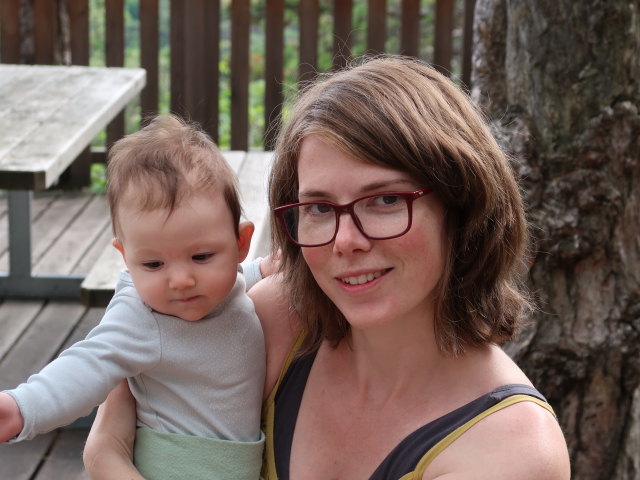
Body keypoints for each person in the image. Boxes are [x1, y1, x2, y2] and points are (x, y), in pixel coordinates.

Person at [82, 56, 571, 479]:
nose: (346, 240)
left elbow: (116, 437)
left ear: (461, 207)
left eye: (384, 200)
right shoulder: (272, 322)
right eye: (318, 208)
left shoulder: (511, 450)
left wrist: (105, 459)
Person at [0, 114, 267, 480]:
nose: (182, 280)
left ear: (240, 244)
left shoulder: (222, 284)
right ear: (125, 257)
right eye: (154, 263)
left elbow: (238, 280)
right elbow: (88, 364)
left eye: (202, 257)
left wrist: (267, 269)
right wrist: (21, 407)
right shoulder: (143, 317)